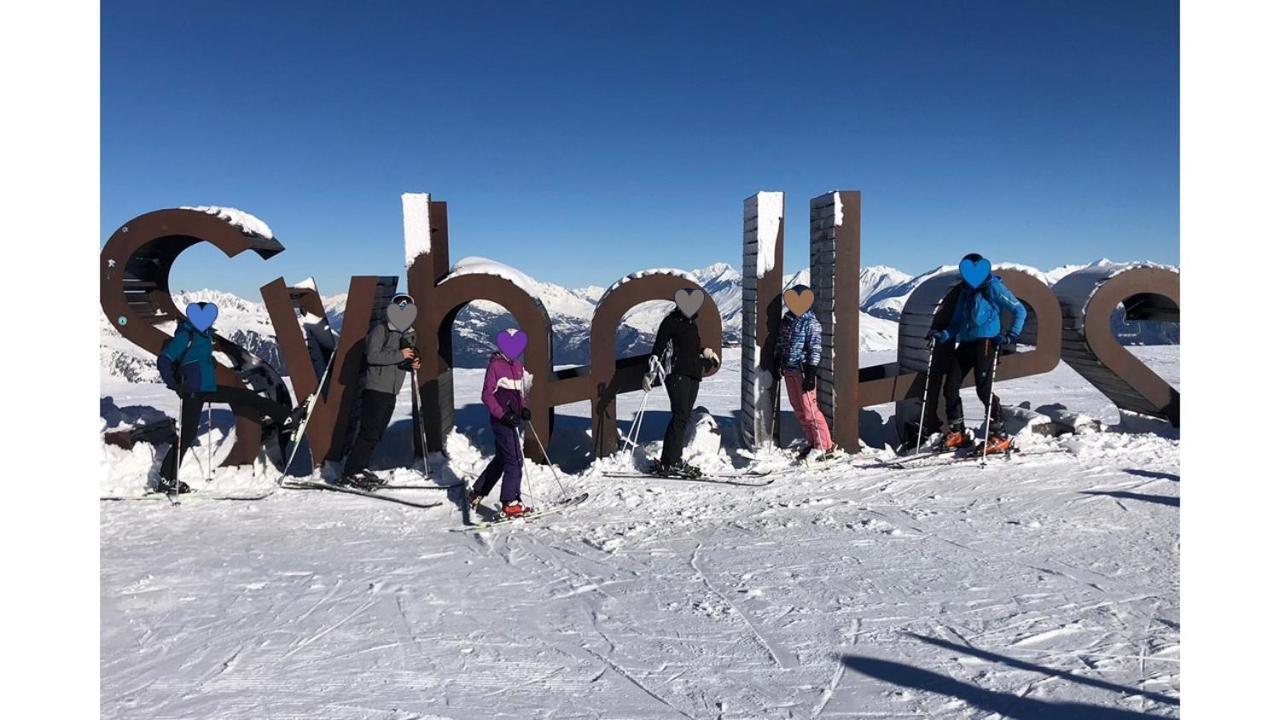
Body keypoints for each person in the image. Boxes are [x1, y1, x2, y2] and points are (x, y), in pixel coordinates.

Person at [156, 302, 293, 494]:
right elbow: (164, 360)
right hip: (193, 392)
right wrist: (174, 384)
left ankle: (286, 416)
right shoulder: (185, 335)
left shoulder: (203, 336)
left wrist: (207, 363)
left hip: (206, 389)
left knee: (244, 395)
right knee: (187, 435)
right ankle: (166, 479)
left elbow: (195, 360)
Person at [927, 254, 1027, 454]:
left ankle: (1000, 435)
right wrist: (943, 334)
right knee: (950, 386)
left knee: (984, 390)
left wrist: (1011, 335)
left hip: (987, 343)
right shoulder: (964, 291)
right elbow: (956, 322)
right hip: (966, 343)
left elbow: (1019, 310)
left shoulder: (994, 287)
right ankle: (958, 432)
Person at [341, 294, 421, 488]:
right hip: (376, 388)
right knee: (369, 431)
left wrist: (412, 363)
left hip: (392, 389)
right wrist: (399, 354)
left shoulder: (406, 333)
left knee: (377, 432)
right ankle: (351, 471)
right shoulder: (381, 330)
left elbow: (397, 362)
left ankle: (360, 467)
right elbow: (372, 356)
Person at [642, 299, 720, 478]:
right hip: (676, 374)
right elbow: (659, 348)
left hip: (692, 375)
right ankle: (670, 462)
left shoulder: (691, 324)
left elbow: (687, 350)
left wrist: (704, 352)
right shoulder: (670, 322)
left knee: (683, 417)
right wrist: (650, 372)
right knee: (680, 416)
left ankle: (671, 460)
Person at [469, 330, 535, 518]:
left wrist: (523, 408)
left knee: (502, 459)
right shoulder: (496, 366)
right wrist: (503, 414)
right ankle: (510, 503)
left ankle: (477, 492)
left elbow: (520, 393)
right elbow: (487, 395)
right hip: (501, 421)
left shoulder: (518, 366)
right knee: (515, 460)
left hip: (511, 420)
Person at [773, 286, 835, 461]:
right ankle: (813, 442)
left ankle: (824, 446)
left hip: (802, 370)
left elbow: (815, 349)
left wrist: (810, 372)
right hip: (789, 369)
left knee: (810, 411)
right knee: (799, 409)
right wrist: (778, 360)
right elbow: (781, 342)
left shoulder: (811, 323)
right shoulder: (788, 320)